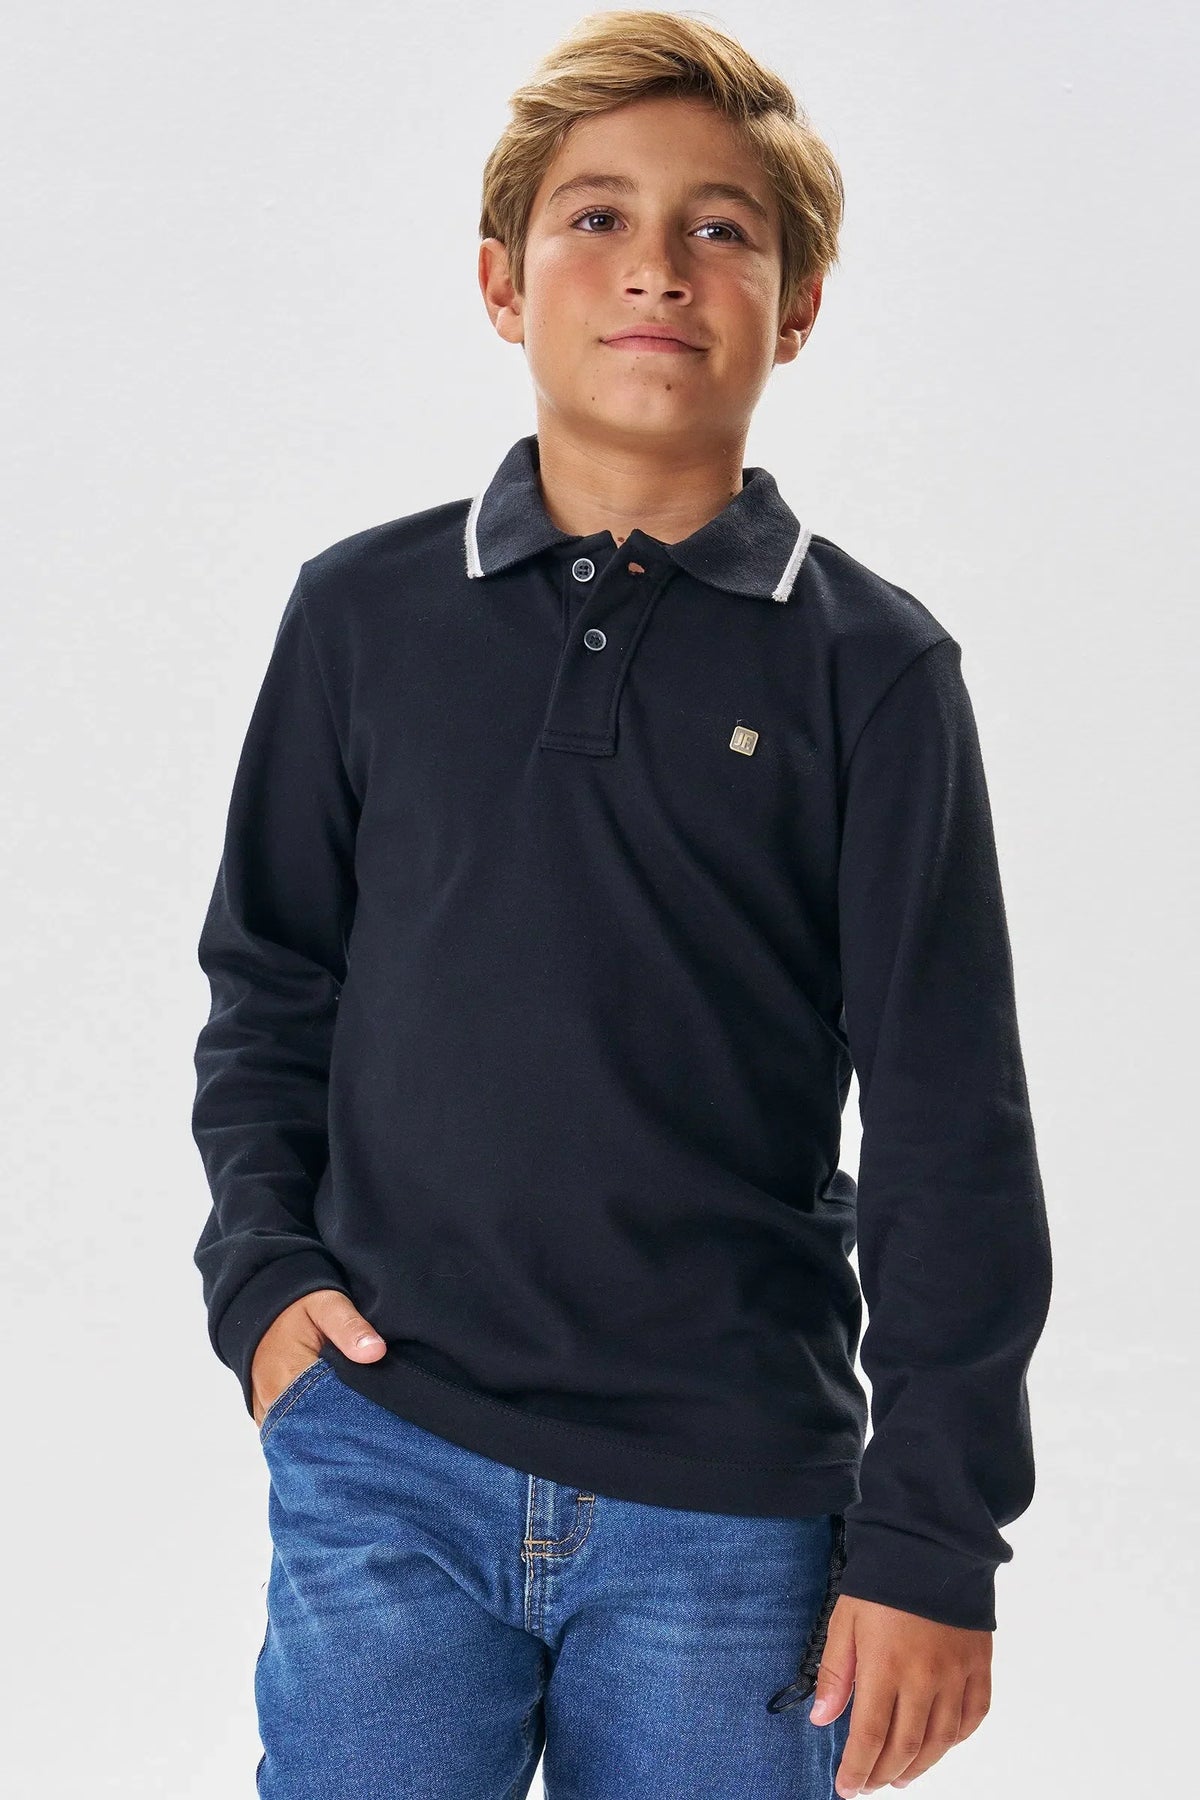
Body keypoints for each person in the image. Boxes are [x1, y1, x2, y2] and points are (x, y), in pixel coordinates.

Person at [190, 12, 1053, 1798]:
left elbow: (951, 1124)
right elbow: (272, 979)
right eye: (597, 218)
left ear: (795, 309)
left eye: (721, 229)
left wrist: (933, 1539)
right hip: (385, 1451)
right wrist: (263, 1281)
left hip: (728, 1510)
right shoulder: (361, 617)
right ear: (502, 283)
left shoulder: (876, 674)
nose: (658, 266)